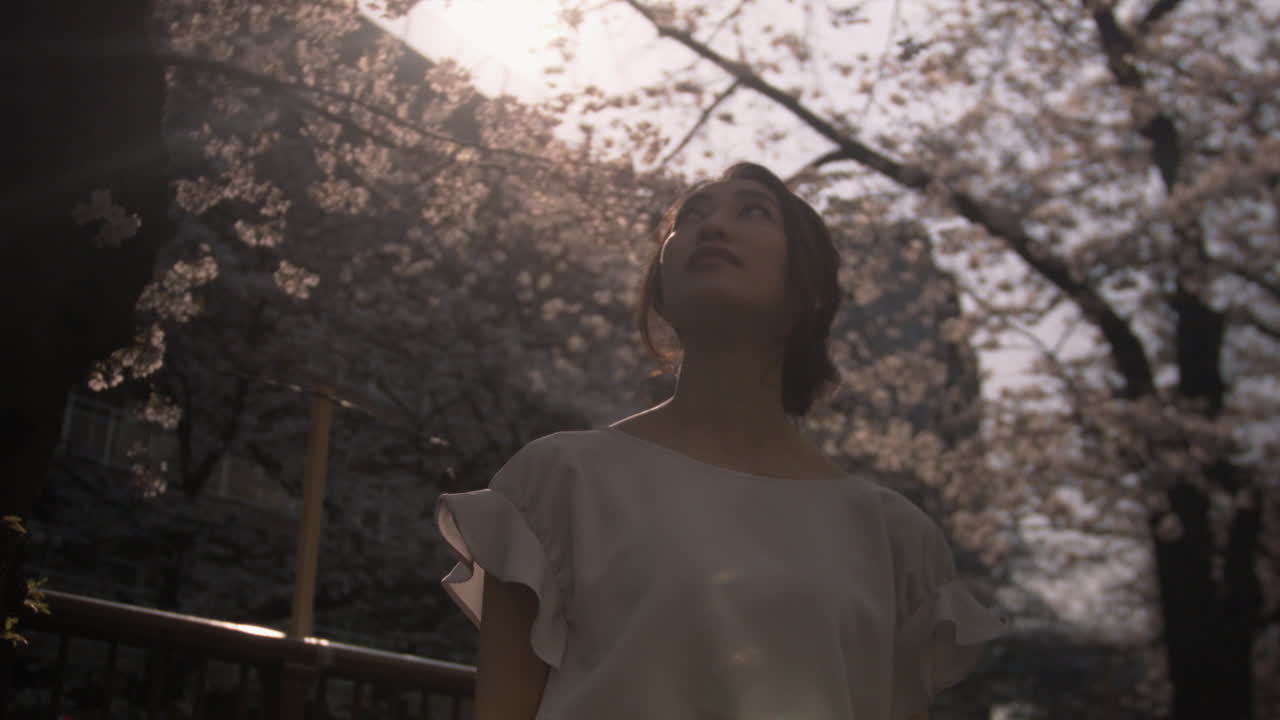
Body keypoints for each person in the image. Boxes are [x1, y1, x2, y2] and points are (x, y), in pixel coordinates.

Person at [434, 162, 1006, 720]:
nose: (711, 226)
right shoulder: (558, 482)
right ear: (661, 289)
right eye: (692, 216)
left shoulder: (895, 540)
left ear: (809, 287)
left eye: (754, 211)